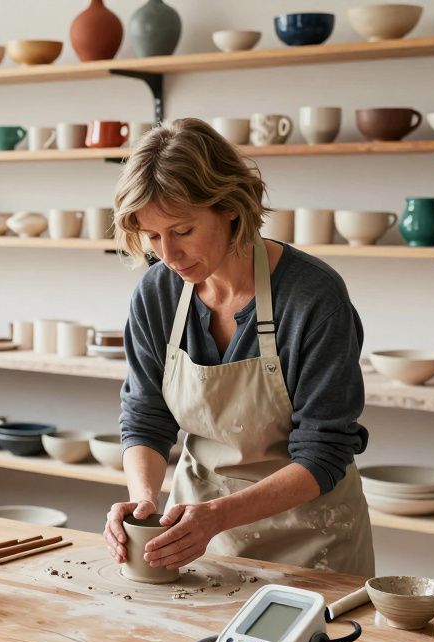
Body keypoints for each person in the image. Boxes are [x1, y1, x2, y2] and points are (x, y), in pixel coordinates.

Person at [102, 118, 375, 578]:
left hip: (312, 539)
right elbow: (146, 416)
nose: (167, 254)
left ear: (230, 206)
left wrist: (217, 517)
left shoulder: (312, 297)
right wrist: (144, 501)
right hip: (197, 533)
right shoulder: (158, 293)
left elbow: (324, 451)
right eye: (152, 236)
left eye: (182, 231)